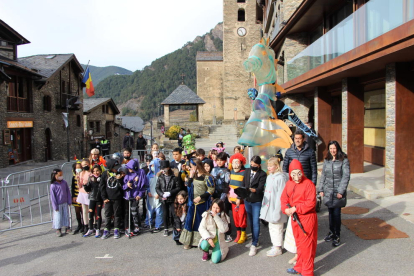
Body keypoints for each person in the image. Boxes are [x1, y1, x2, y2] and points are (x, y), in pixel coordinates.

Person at [281, 159, 318, 276]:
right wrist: (285, 209)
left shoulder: (309, 184)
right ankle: (299, 267)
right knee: (299, 245)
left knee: (307, 246)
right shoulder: (289, 184)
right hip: (295, 218)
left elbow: (311, 203)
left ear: (302, 172)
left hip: (307, 218)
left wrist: (296, 208)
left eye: (299, 173)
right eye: (293, 174)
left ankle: (307, 272)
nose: (296, 177)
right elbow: (283, 199)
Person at [318, 140, 350, 247]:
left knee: (336, 214)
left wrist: (341, 191)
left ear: (338, 149)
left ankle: (337, 235)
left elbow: (346, 176)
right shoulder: (327, 160)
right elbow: (323, 176)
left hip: (337, 192)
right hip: (328, 191)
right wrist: (321, 189)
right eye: (331, 148)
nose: (332, 151)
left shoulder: (343, 160)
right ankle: (331, 232)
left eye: (334, 148)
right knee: (330, 213)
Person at [179, 158, 215, 249]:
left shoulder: (207, 177)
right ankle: (189, 241)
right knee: (190, 221)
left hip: (202, 203)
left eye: (191, 167)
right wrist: (190, 177)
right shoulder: (193, 175)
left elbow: (211, 190)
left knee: (200, 222)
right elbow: (189, 186)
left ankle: (201, 241)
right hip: (192, 203)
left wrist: (200, 197)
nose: (190, 168)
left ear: (196, 166)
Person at [259, 157, 288, 257]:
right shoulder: (270, 176)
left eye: (271, 166)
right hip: (269, 206)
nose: (269, 167)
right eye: (268, 166)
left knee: (277, 227)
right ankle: (275, 244)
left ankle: (278, 247)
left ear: (276, 166)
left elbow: (281, 195)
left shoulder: (280, 178)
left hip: (276, 206)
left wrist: (278, 210)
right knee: (272, 226)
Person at [242, 155, 267, 256]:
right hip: (247, 199)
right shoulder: (247, 171)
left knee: (256, 221)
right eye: (251, 164)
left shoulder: (262, 174)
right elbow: (244, 183)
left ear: (259, 165)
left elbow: (261, 188)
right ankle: (254, 239)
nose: (252, 166)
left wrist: (254, 190)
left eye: (255, 165)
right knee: (251, 221)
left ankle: (254, 243)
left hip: (256, 200)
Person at [198, 199, 230, 263]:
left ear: (221, 208)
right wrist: (208, 238)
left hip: (218, 240)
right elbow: (201, 228)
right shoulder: (206, 215)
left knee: (215, 260)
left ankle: (224, 249)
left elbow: (224, 230)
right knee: (203, 245)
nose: (215, 210)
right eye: (213, 207)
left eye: (217, 208)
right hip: (210, 237)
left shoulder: (224, 216)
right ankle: (206, 251)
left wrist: (216, 217)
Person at [100, 159, 125, 239]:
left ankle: (116, 229)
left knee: (117, 214)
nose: (117, 169)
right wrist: (104, 198)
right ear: (110, 167)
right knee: (107, 214)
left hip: (117, 198)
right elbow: (102, 187)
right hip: (108, 198)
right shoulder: (105, 174)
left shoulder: (119, 174)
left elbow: (122, 187)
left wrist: (120, 179)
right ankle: (107, 229)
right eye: (115, 167)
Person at [156, 160, 181, 236]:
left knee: (174, 213)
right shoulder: (160, 177)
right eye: (162, 168)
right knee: (165, 213)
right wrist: (161, 194)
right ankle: (166, 228)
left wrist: (170, 193)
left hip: (172, 198)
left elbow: (178, 187)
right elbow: (157, 188)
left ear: (168, 168)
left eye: (164, 168)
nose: (163, 170)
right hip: (163, 198)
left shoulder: (174, 176)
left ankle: (177, 227)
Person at [211, 152, 232, 242]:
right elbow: (211, 182)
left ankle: (228, 233)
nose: (219, 162)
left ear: (225, 161)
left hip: (223, 195)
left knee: (225, 214)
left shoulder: (227, 171)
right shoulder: (213, 169)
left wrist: (223, 197)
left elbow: (227, 185)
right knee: (215, 213)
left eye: (221, 160)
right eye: (218, 160)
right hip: (215, 194)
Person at [123, 158, 147, 237]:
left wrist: (140, 195)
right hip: (128, 196)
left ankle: (137, 226)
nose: (129, 169)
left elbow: (143, 186)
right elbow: (123, 186)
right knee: (128, 212)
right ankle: (129, 226)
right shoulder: (127, 175)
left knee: (134, 211)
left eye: (131, 168)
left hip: (135, 196)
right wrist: (127, 185)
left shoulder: (140, 173)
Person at [228, 153, 247, 244]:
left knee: (242, 217)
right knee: (235, 218)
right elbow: (229, 186)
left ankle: (243, 234)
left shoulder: (244, 172)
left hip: (241, 200)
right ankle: (238, 234)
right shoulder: (230, 172)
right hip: (232, 200)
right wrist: (228, 196)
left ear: (241, 163)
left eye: (237, 162)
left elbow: (244, 187)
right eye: (234, 162)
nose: (235, 164)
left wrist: (240, 197)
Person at [83, 165, 103, 238]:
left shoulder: (102, 178)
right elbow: (88, 189)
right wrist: (85, 186)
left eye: (97, 171)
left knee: (98, 214)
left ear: (100, 171)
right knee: (90, 214)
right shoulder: (91, 178)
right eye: (94, 171)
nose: (96, 172)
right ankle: (91, 228)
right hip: (92, 198)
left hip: (99, 199)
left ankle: (98, 229)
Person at [50, 168, 72, 237]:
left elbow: (68, 191)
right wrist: (55, 206)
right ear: (55, 175)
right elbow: (52, 197)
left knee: (66, 215)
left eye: (61, 175)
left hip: (65, 202)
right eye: (59, 175)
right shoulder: (53, 185)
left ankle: (67, 227)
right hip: (58, 204)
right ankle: (58, 229)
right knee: (58, 217)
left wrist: (69, 200)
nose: (61, 176)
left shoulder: (64, 182)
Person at [145, 154, 163, 230]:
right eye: (151, 165)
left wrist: (159, 194)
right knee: (149, 211)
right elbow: (146, 185)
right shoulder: (148, 175)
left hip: (157, 196)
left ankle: (158, 225)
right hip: (150, 196)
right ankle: (148, 223)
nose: (151, 167)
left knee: (159, 212)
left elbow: (162, 186)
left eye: (153, 165)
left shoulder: (161, 176)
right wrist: (148, 191)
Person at [76, 159, 92, 235]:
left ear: (89, 164)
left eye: (85, 164)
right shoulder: (81, 173)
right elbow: (79, 185)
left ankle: (93, 225)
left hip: (89, 192)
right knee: (84, 210)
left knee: (91, 210)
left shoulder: (91, 172)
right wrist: (78, 180)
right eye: (83, 165)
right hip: (82, 192)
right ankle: (86, 225)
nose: (84, 166)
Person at [71, 162, 83, 235]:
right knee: (77, 211)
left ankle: (85, 225)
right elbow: (72, 187)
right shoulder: (74, 177)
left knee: (83, 211)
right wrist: (73, 196)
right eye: (77, 168)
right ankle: (79, 224)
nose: (78, 169)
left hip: (82, 196)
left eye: (79, 168)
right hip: (76, 196)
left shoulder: (83, 176)